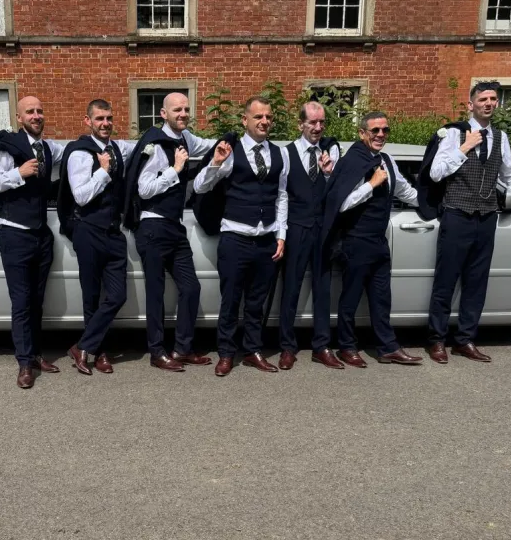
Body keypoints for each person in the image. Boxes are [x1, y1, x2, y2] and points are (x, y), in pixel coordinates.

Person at [421, 81, 511, 364]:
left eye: (493, 99)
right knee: (446, 280)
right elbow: (436, 173)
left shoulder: (501, 137)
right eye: (483, 99)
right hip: (457, 214)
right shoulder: (453, 133)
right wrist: (464, 148)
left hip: (486, 216)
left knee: (477, 282)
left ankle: (465, 340)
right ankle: (436, 340)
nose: (489, 103)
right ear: (470, 104)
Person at [122, 93, 224, 372]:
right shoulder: (154, 145)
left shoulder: (186, 139)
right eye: (176, 110)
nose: (183, 113)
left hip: (175, 228)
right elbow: (144, 189)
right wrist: (176, 169)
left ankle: (182, 348)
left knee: (191, 288)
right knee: (155, 293)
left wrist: (227, 147)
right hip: (152, 226)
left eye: (186, 109)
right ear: (163, 114)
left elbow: (209, 146)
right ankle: (157, 352)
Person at [192, 96, 287, 377]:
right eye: (258, 117)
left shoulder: (280, 154)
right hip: (235, 238)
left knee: (257, 303)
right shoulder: (230, 150)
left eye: (268, 117)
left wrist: (281, 235)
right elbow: (199, 187)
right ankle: (225, 353)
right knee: (231, 301)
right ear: (245, 120)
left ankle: (253, 351)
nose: (264, 121)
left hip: (266, 239)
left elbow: (282, 197)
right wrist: (215, 163)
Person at [322, 111, 423, 367]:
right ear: (362, 133)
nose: (380, 135)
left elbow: (404, 190)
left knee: (381, 297)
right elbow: (341, 204)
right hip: (354, 241)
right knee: (351, 297)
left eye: (385, 130)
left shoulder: (387, 160)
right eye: (375, 131)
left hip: (378, 241)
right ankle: (346, 346)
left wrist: (434, 206)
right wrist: (372, 184)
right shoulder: (351, 161)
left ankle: (388, 347)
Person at [0, 96, 65, 389]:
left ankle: (36, 354)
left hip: (41, 234)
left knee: (37, 301)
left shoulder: (49, 148)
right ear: (19, 118)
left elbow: (75, 149)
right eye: (30, 111)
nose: (36, 115)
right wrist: (19, 173)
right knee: (22, 302)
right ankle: (24, 363)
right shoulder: (8, 148)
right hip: (14, 233)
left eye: (40, 111)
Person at [56, 99, 137, 375]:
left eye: (109, 118)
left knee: (116, 295)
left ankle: (83, 346)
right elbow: (80, 196)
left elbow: (142, 145)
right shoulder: (80, 153)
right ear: (87, 121)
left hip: (114, 232)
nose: (106, 124)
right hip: (88, 230)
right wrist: (102, 171)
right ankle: (98, 352)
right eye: (100, 119)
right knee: (91, 296)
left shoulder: (117, 148)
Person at [276, 101, 344, 370]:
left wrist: (329, 175)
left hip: (323, 230)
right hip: (296, 229)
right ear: (300, 124)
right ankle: (287, 346)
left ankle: (322, 346)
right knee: (290, 288)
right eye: (312, 122)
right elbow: (281, 195)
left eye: (322, 123)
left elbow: (338, 194)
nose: (318, 127)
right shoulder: (286, 153)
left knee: (323, 288)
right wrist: (281, 233)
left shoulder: (331, 151)